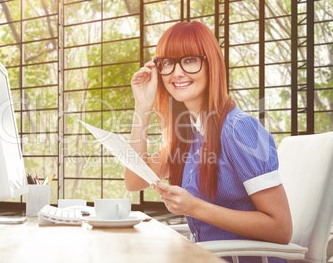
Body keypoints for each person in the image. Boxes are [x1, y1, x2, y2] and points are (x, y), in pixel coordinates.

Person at [124, 21, 292, 263]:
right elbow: (134, 180)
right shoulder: (187, 134)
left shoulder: (239, 129)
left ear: (210, 65)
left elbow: (281, 229)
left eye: (190, 60)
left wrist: (193, 207)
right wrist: (142, 106)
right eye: (168, 63)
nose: (177, 73)